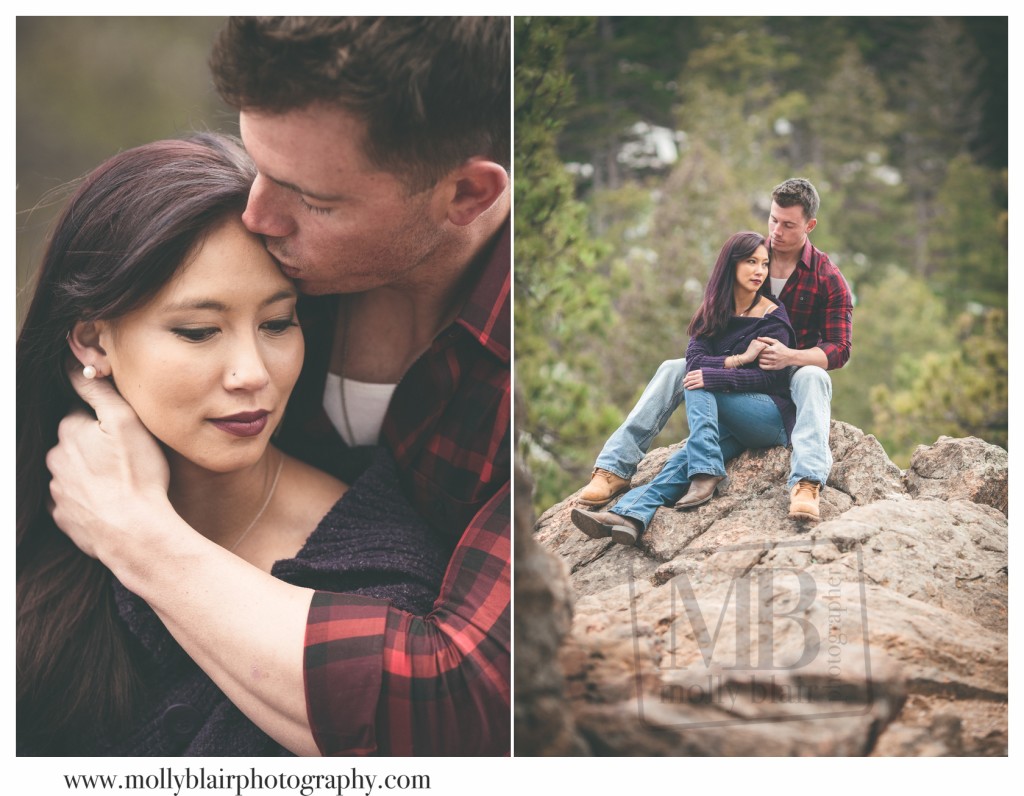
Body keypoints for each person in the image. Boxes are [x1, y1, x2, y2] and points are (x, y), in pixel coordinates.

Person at [45, 17, 510, 756]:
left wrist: (131, 531)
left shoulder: (527, 374)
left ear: (464, 195)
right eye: (257, 164)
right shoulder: (277, 250)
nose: (256, 215)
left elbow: (460, 709)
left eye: (311, 199)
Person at [18, 134, 449, 755]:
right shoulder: (34, 512)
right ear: (92, 342)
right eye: (199, 331)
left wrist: (135, 530)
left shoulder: (379, 577)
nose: (252, 372)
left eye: (278, 323)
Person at [578, 178, 851, 522]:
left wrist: (790, 356)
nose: (776, 231)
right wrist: (729, 363)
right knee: (673, 369)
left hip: (789, 378)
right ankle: (615, 469)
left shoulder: (828, 277)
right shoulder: (751, 259)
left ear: (809, 225)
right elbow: (710, 333)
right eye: (772, 219)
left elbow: (840, 349)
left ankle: (806, 484)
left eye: (788, 224)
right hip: (740, 374)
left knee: (813, 376)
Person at [571, 232, 797, 543]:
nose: (760, 271)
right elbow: (694, 361)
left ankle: (705, 470)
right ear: (731, 265)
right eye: (751, 262)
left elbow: (771, 379)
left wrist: (717, 375)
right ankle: (630, 516)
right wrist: (739, 359)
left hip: (768, 417)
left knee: (698, 380)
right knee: (684, 450)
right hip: (729, 418)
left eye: (764, 264)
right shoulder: (714, 309)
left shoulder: (773, 316)